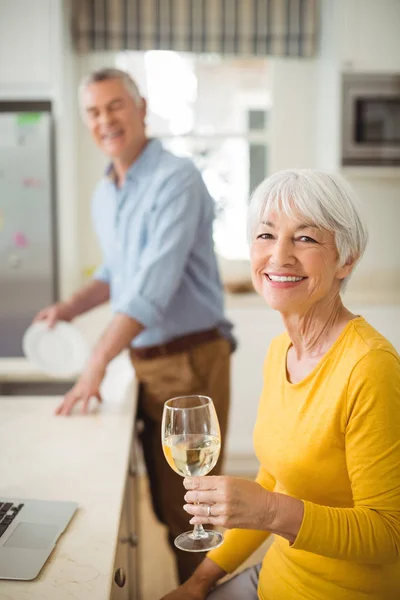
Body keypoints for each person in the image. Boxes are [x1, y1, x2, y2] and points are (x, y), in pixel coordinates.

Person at [33, 68, 235, 584]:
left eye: (115, 105)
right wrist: (68, 309)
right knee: (165, 509)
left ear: (141, 107)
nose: (105, 120)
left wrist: (96, 360)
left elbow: (151, 288)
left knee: (192, 509)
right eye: (94, 111)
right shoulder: (109, 190)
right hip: (145, 361)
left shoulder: (176, 179)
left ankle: (200, 594)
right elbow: (114, 274)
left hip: (189, 361)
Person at [160, 169, 400, 600]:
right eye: (266, 235)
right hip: (274, 580)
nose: (279, 256)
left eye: (305, 239)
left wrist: (270, 512)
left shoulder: (370, 368)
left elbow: (389, 532)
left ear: (347, 259)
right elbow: (274, 477)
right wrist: (199, 581)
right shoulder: (280, 351)